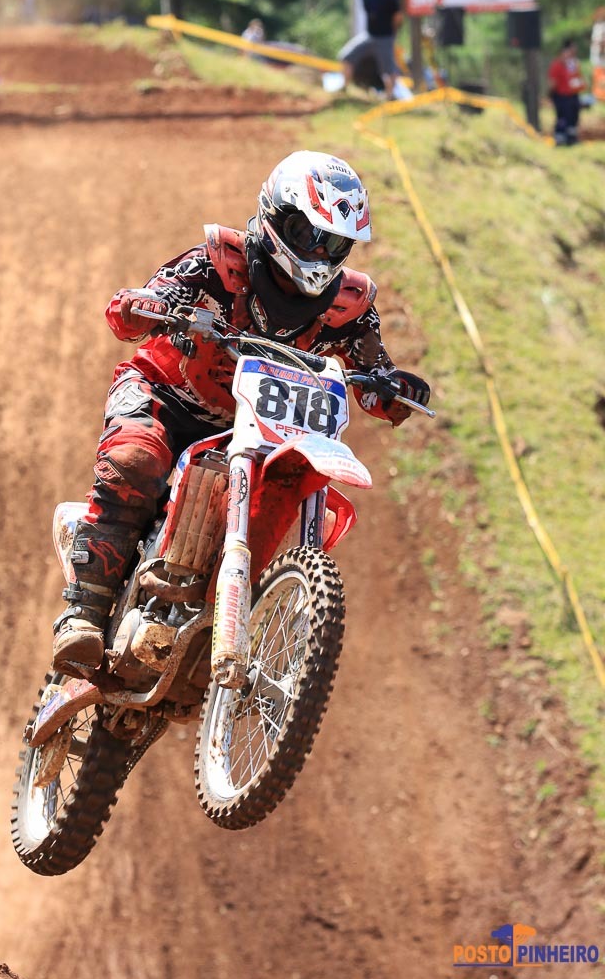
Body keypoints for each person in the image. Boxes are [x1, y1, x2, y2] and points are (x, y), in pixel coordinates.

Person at [50, 151, 431, 708]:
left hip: (251, 430)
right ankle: (82, 614)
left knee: (276, 496)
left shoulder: (349, 306)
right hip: (167, 395)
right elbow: (130, 312)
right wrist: (152, 306)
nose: (319, 253)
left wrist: (394, 388)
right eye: (308, 234)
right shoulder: (219, 263)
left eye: (334, 243)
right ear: (275, 216)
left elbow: (374, 381)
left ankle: (218, 629)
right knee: (137, 460)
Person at [547, 39, 585, 145]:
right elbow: (552, 83)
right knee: (562, 118)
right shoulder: (556, 65)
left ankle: (571, 138)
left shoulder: (573, 65)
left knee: (573, 118)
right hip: (561, 96)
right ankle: (560, 140)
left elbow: (577, 79)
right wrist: (550, 95)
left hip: (573, 95)